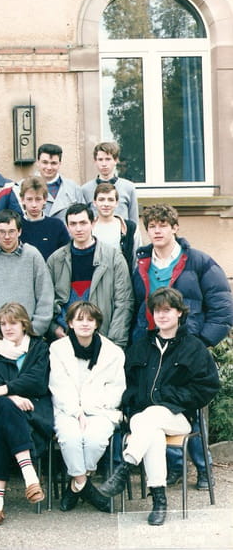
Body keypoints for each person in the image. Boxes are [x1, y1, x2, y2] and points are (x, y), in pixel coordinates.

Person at [131, 203, 233, 488]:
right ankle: (174, 468)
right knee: (159, 404)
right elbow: (137, 306)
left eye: (163, 225)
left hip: (187, 347)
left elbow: (223, 308)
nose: (157, 231)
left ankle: (203, 469)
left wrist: (200, 343)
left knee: (191, 407)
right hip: (154, 347)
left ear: (175, 228)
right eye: (152, 226)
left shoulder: (199, 262)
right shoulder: (142, 264)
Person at [98, 288, 220, 526]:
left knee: (153, 416)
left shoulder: (194, 347)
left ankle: (126, 467)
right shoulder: (141, 346)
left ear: (179, 313)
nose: (161, 315)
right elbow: (126, 384)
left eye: (167, 310)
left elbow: (207, 387)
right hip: (142, 417)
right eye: (157, 311)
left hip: (177, 417)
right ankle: (158, 501)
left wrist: (166, 396)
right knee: (151, 430)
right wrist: (135, 400)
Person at [0, 302, 51, 526]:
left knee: (2, 427)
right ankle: (29, 473)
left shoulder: (39, 348)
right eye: (3, 324)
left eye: (13, 323)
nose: (7, 328)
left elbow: (38, 381)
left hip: (33, 408)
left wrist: (7, 389)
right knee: (4, 408)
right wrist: (12, 397)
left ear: (24, 324)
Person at [48, 301, 124, 513]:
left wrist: (90, 407)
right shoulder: (58, 349)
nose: (85, 324)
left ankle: (75, 486)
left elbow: (116, 388)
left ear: (97, 324)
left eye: (90, 320)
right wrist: (77, 411)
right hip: (66, 409)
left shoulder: (113, 352)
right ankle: (86, 486)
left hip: (101, 410)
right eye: (79, 319)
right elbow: (58, 385)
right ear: (70, 323)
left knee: (95, 440)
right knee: (70, 438)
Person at [47, 203, 133, 347]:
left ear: (93, 223)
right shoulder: (56, 260)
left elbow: (124, 303)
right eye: (73, 224)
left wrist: (115, 344)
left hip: (103, 338)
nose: (78, 229)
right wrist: (54, 328)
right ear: (67, 227)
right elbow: (46, 300)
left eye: (83, 223)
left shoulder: (113, 258)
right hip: (65, 340)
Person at [0, 209, 54, 342]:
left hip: (30, 337)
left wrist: (33, 332)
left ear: (19, 231)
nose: (7, 237)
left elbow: (45, 297)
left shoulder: (33, 256)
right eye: (2, 232)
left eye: (11, 231)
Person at [81, 141, 139, 225]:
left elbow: (134, 220)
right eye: (100, 160)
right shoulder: (85, 189)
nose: (104, 164)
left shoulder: (129, 188)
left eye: (108, 159)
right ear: (95, 161)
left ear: (116, 160)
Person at [18, 176, 70, 261]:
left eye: (38, 199)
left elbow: (66, 256)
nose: (34, 205)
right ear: (22, 200)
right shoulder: (16, 226)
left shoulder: (57, 226)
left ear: (45, 199)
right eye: (29, 199)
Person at [92, 182, 141, 271]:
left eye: (110, 200)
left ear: (116, 203)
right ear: (94, 203)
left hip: (123, 278)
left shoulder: (130, 228)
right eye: (102, 199)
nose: (106, 204)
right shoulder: (88, 229)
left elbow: (137, 262)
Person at [31, 143, 86, 223]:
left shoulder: (73, 188)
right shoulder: (22, 187)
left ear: (60, 163)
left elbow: (83, 217)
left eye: (53, 163)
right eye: (45, 162)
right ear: (38, 162)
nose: (49, 167)